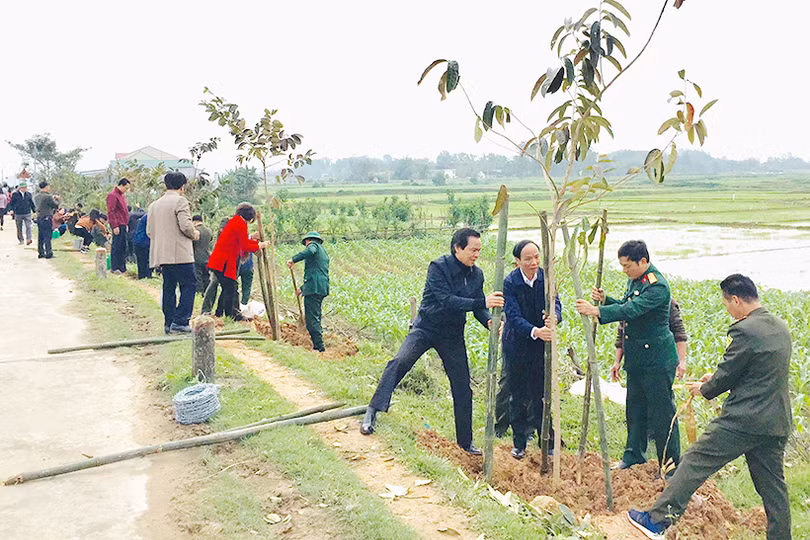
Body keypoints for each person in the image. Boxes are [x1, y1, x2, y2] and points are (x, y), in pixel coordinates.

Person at [629, 274, 792, 540]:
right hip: (775, 421)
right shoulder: (779, 326)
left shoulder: (744, 330)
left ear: (736, 300)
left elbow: (727, 374)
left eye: (727, 303)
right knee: (773, 487)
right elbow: (757, 371)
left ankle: (656, 521)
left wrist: (704, 388)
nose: (727, 309)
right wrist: (714, 379)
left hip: (743, 421)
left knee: (694, 462)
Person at [360, 228, 504, 455]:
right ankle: (373, 410)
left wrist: (488, 322)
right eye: (472, 250)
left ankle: (465, 443)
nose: (476, 255)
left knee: (462, 387)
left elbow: (477, 308)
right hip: (426, 328)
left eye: (479, 251)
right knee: (400, 362)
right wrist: (482, 302)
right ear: (457, 248)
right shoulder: (438, 267)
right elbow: (447, 301)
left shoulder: (476, 275)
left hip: (452, 335)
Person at [575, 240, 680, 471]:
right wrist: (605, 301)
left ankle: (670, 464)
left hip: (656, 360)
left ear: (643, 261)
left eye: (627, 266)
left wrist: (597, 311)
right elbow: (625, 303)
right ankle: (633, 456)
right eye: (622, 266)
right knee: (634, 410)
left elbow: (632, 310)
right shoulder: (636, 281)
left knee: (662, 415)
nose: (624, 270)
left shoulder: (657, 286)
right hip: (637, 360)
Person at [501, 240, 562, 459]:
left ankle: (548, 439)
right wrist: (536, 331)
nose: (533, 262)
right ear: (517, 261)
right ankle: (519, 443)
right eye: (528, 259)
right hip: (517, 344)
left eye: (536, 257)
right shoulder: (510, 282)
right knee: (518, 395)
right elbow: (513, 317)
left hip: (540, 347)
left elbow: (556, 304)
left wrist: (554, 318)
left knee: (541, 394)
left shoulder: (546, 278)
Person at [147, 172, 200, 334]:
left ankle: (168, 322)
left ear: (165, 185)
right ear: (182, 186)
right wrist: (195, 234)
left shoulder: (154, 205)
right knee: (189, 285)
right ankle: (181, 320)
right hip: (180, 254)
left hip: (162, 254)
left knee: (169, 287)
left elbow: (150, 231)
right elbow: (185, 226)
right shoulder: (180, 201)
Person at [207, 203, 269, 321]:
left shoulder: (235, 221)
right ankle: (231, 315)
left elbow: (242, 241)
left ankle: (221, 313)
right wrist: (259, 245)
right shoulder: (239, 224)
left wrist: (256, 245)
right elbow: (245, 245)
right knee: (231, 287)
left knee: (228, 287)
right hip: (223, 261)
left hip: (222, 260)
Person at [286, 231, 330, 352]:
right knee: (316, 317)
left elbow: (310, 251)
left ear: (307, 241)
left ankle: (319, 347)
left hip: (314, 288)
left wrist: (293, 259)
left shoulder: (313, 246)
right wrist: (302, 288)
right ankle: (318, 343)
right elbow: (316, 273)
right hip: (320, 287)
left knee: (311, 320)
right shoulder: (323, 253)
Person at [106, 178, 130, 274]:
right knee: (116, 246)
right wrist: (114, 225)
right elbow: (111, 212)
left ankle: (122, 267)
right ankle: (115, 267)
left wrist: (126, 223)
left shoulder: (122, 196)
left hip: (123, 224)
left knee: (123, 246)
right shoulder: (112, 196)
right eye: (126, 188)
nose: (126, 190)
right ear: (121, 185)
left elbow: (124, 211)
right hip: (117, 224)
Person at [33, 181, 59, 259]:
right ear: (46, 187)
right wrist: (57, 200)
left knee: (40, 235)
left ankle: (41, 252)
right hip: (47, 217)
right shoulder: (48, 196)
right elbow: (55, 205)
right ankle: (48, 253)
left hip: (39, 217)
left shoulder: (36, 196)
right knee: (48, 235)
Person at [192, 215, 213, 294]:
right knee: (206, 276)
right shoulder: (209, 230)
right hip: (207, 257)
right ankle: (207, 292)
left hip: (196, 257)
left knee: (198, 276)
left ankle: (199, 292)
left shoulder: (195, 231)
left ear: (194, 222)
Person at [131, 213, 152, 279]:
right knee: (146, 260)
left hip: (139, 241)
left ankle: (142, 276)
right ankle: (147, 276)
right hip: (143, 241)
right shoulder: (149, 217)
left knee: (141, 262)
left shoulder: (146, 217)